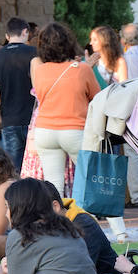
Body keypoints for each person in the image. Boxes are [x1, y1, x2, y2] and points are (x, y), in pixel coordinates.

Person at [30, 22, 99, 198]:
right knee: (90, 180)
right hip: (74, 129)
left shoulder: (39, 70)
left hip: (45, 130)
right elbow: (97, 99)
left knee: (54, 186)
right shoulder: (82, 69)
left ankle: (58, 223)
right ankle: (95, 221)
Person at [0, 18, 37, 171]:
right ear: (25, 32)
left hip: (9, 121)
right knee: (34, 169)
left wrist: (1, 119)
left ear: (7, 36)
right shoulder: (34, 53)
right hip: (33, 120)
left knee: (13, 171)